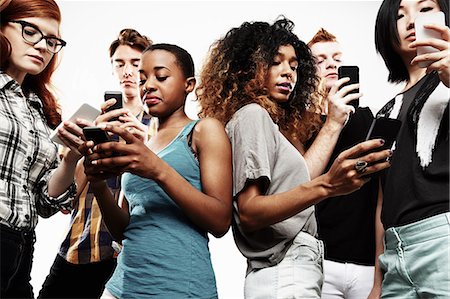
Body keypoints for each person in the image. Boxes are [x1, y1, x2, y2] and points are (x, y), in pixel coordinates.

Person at [196, 17, 392, 298]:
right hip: (285, 272)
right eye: (276, 62)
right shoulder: (252, 115)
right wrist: (329, 185)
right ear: (245, 68)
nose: (288, 72)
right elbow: (250, 212)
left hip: (295, 267)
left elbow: (294, 184)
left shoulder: (268, 125)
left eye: (294, 66)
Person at [80, 43, 233, 298]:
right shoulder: (142, 145)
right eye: (143, 79)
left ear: (189, 84)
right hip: (122, 286)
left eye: (161, 77)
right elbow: (122, 229)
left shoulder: (204, 130)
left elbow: (220, 221)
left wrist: (158, 170)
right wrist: (98, 186)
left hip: (179, 284)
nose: (148, 85)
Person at [37, 29, 152, 298]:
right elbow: (66, 199)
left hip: (124, 252)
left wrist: (143, 142)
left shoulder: (156, 126)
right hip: (78, 243)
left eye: (135, 64)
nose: (127, 71)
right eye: (119, 63)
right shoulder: (92, 120)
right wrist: (83, 146)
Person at [0, 0, 85, 297]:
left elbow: (45, 202)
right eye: (29, 31)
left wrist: (72, 156)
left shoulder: (38, 108)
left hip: (21, 248)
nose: (41, 46)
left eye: (51, 41)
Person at [369, 0, 449, 298]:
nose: (411, 20)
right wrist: (378, 282)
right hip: (394, 252)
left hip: (442, 237)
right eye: (399, 15)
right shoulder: (386, 111)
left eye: (425, 8)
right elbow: (382, 199)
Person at [308, 28, 379, 299]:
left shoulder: (365, 118)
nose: (331, 64)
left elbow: (379, 191)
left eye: (337, 58)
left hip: (365, 263)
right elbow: (299, 183)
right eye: (320, 59)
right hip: (319, 260)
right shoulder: (297, 123)